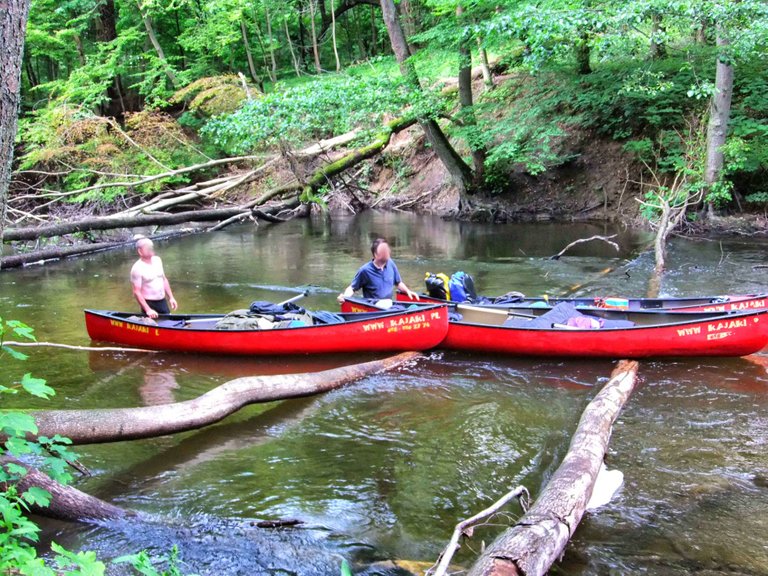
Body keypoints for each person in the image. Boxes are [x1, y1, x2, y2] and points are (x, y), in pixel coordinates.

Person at [337, 238, 420, 303]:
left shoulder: (391, 263)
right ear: (375, 254)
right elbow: (352, 288)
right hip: (373, 308)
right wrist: (344, 297)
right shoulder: (365, 271)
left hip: (389, 305)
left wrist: (408, 291)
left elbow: (398, 283)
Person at [130, 236, 178, 318]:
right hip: (149, 303)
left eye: (151, 247)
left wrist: (171, 297)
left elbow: (164, 279)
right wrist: (148, 309)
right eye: (147, 247)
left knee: (168, 323)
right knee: (153, 327)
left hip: (162, 301)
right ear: (140, 251)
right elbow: (136, 292)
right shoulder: (137, 268)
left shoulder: (157, 260)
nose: (150, 249)